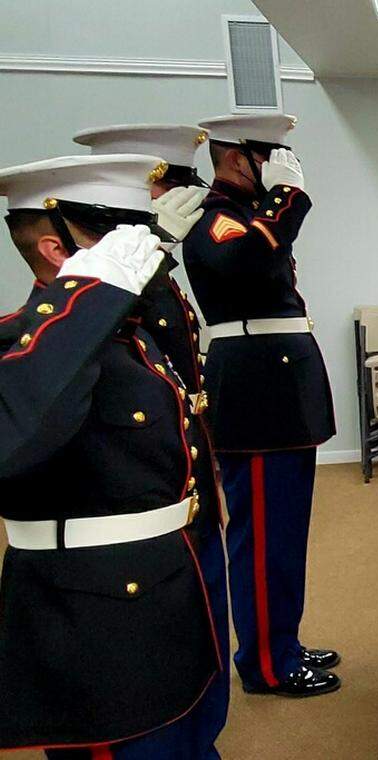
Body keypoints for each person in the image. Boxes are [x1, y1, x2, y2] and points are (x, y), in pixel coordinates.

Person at [0, 155, 222, 756]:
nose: (139, 245)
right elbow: (17, 437)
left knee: (191, 734)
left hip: (168, 576)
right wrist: (87, 295)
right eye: (119, 233)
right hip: (95, 619)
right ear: (55, 250)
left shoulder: (131, 331)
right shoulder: (19, 342)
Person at [74, 123, 230, 744]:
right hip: (132, 523)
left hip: (182, 495)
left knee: (202, 649)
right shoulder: (85, 314)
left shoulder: (156, 286)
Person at [182, 113, 340, 697]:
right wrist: (288, 196)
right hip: (256, 394)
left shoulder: (249, 216)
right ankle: (268, 664)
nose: (278, 166)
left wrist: (277, 200)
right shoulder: (212, 214)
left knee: (286, 532)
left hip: (277, 391)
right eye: (267, 155)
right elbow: (248, 259)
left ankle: (283, 642)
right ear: (234, 158)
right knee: (264, 537)